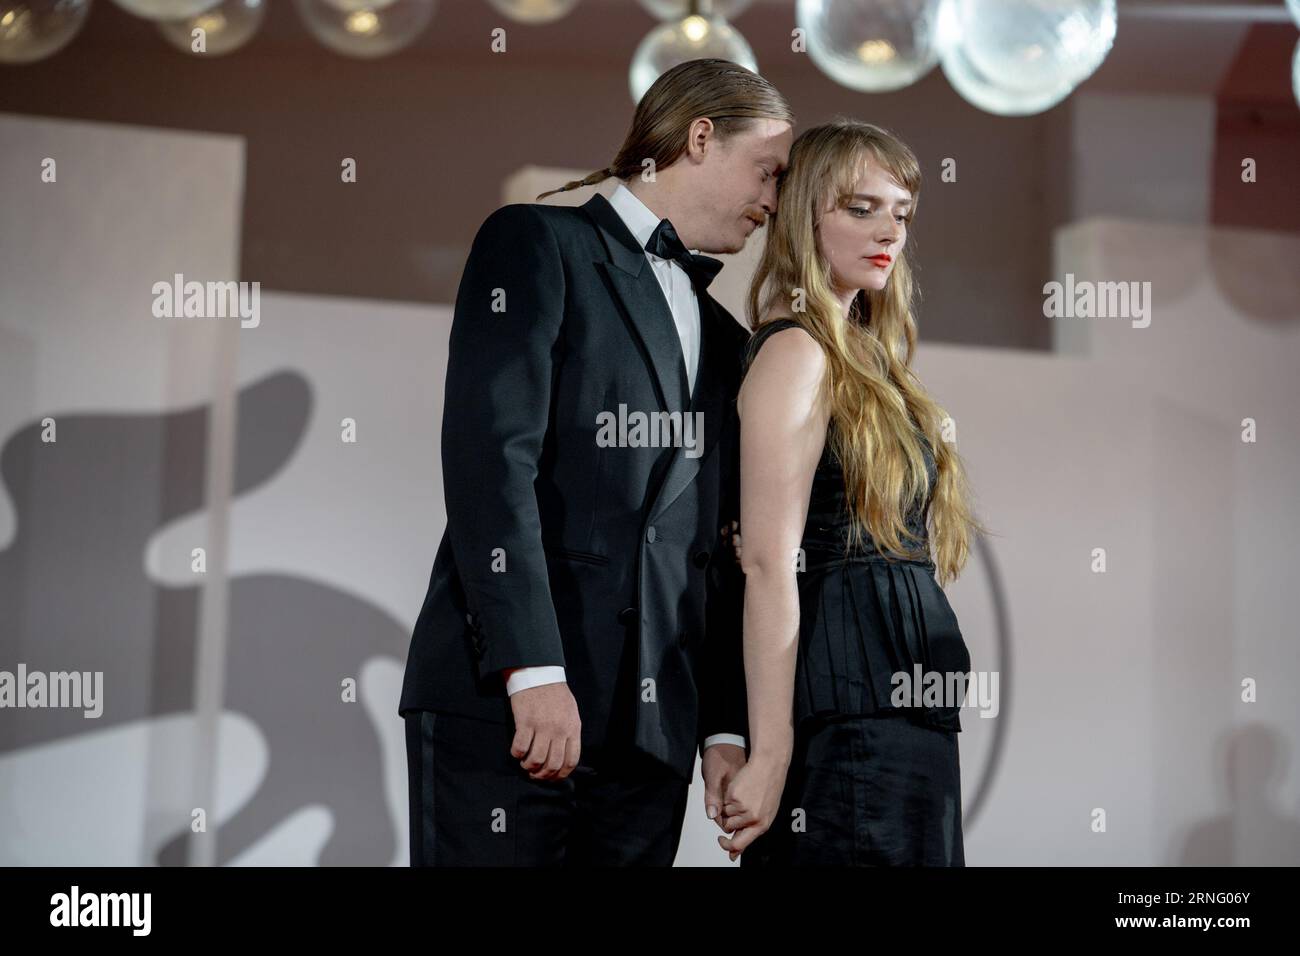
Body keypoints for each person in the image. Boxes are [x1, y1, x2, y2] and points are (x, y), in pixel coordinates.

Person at [398, 58, 794, 865]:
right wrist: (532, 671)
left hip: (651, 742)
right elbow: (490, 467)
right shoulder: (537, 243)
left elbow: (720, 546)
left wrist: (721, 726)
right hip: (509, 705)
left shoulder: (730, 341)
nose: (774, 199)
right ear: (700, 137)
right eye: (767, 170)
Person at [717, 119, 987, 866]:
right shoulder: (796, 351)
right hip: (849, 709)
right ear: (804, 216)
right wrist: (769, 753)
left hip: (903, 706)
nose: (889, 232)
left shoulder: (866, 359)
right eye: (861, 208)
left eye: (901, 212)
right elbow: (767, 562)